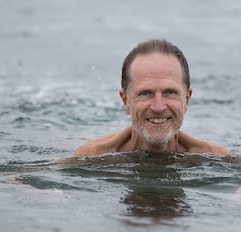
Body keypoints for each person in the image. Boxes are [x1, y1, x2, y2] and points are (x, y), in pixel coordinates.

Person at [72, 39, 230, 157]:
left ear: (187, 100)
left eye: (170, 92)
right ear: (125, 101)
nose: (158, 107)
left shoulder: (214, 156)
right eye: (145, 93)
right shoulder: (91, 156)